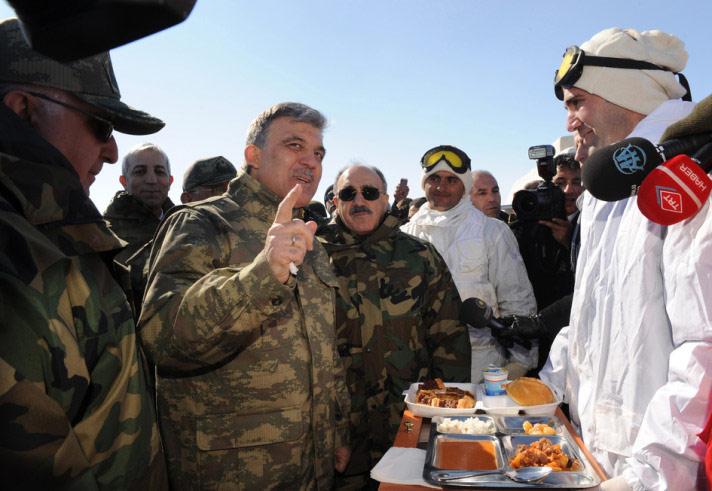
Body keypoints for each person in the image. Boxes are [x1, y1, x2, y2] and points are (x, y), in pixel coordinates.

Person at [138, 102, 351, 489]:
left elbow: (324, 348)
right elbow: (164, 338)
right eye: (295, 145)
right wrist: (262, 275)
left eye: (318, 153)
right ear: (253, 155)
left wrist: (335, 427)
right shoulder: (202, 223)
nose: (311, 162)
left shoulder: (309, 239)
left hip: (312, 466)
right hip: (236, 471)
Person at [0, 17, 167, 489]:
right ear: (23, 111)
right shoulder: (17, 253)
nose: (111, 151)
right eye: (100, 125)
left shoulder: (57, 236)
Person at [542, 27, 709, 490]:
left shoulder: (689, 174)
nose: (570, 122)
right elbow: (589, 311)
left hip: (654, 467)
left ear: (624, 92)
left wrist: (650, 475)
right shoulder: (607, 186)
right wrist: (545, 390)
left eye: (577, 102)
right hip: (595, 447)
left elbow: (703, 348)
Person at [318, 164, 471, 488]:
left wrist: (442, 417)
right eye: (348, 193)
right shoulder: (312, 257)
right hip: (341, 430)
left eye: (370, 192)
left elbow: (449, 338)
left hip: (408, 421)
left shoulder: (420, 256)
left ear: (385, 200)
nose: (359, 200)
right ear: (335, 201)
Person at [401, 145, 537, 382]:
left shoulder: (491, 231)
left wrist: (520, 363)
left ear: (464, 185)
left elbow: (517, 300)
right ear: (424, 183)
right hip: (421, 370)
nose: (442, 187)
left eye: (452, 180)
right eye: (434, 178)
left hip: (482, 368)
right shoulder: (404, 236)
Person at [510, 151, 582, 310]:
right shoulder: (527, 227)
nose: (568, 190)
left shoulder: (592, 224)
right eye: (560, 183)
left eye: (576, 182)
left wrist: (571, 242)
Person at [104, 142, 175, 265]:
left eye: (159, 172)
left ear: (170, 181)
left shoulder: (184, 226)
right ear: (124, 181)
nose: (151, 180)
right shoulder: (105, 234)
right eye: (140, 172)